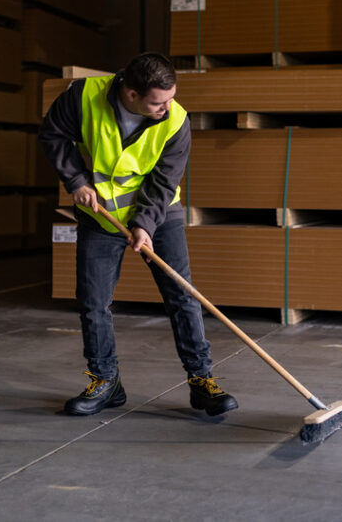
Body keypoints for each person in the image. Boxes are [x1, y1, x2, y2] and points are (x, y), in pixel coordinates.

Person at [38, 52, 238, 418]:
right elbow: (53, 134)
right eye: (157, 101)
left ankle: (201, 381)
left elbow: (164, 182)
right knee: (93, 302)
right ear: (130, 94)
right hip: (101, 217)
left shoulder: (176, 120)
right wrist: (77, 181)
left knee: (182, 297)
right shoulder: (82, 96)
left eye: (170, 98)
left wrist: (144, 224)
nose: (167, 107)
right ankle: (106, 381)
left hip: (160, 215)